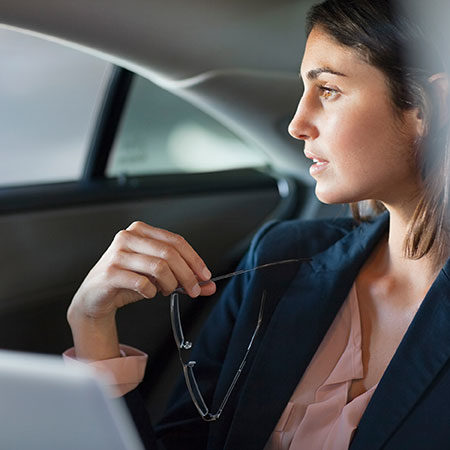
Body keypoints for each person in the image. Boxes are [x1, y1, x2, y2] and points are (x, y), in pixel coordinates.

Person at [65, 0, 450, 448]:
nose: (296, 124)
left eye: (327, 90)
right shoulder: (279, 259)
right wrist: (92, 326)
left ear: (427, 108)